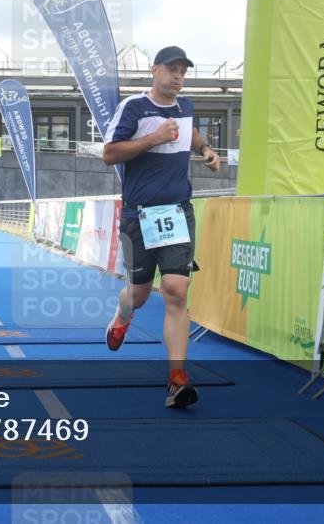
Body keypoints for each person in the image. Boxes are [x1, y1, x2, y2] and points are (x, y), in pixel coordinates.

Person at [101, 45, 220, 409]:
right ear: (154, 70)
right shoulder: (134, 107)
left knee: (175, 290)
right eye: (172, 69)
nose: (178, 76)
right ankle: (122, 317)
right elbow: (109, 154)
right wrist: (153, 138)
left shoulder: (186, 108)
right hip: (139, 215)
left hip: (177, 213)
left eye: (183, 70)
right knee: (137, 295)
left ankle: (176, 380)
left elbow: (191, 133)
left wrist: (205, 149)